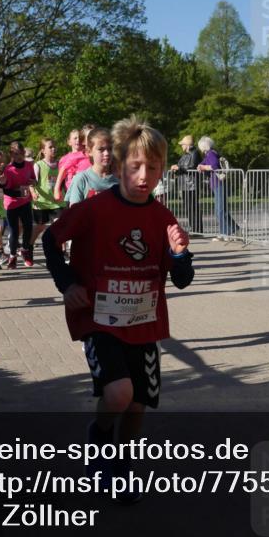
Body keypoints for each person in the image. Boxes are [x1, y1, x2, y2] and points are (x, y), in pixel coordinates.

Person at [42, 116, 194, 504]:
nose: (144, 175)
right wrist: (67, 284)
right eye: (135, 166)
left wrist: (180, 254)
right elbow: (50, 238)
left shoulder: (162, 216)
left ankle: (122, 467)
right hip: (99, 319)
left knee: (138, 404)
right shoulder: (96, 209)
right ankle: (99, 437)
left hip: (144, 325)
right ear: (120, 164)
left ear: (162, 169)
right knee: (119, 394)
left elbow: (181, 279)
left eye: (153, 168)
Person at [0, 141, 35, 268]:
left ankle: (25, 250)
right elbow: (6, 190)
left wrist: (33, 182)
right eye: (15, 154)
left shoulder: (29, 165)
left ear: (24, 153)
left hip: (25, 202)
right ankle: (13, 256)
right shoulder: (8, 170)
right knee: (14, 231)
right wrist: (19, 191)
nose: (18, 156)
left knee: (28, 227)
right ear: (11, 154)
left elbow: (34, 180)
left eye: (20, 153)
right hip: (12, 203)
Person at [197, 136, 239, 240]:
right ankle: (233, 230)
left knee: (220, 210)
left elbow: (215, 165)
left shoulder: (211, 153)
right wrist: (200, 165)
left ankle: (227, 233)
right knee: (219, 210)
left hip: (219, 184)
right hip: (217, 184)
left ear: (203, 146)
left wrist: (203, 167)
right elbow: (204, 163)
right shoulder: (209, 154)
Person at [65, 127, 118, 205]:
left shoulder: (120, 181)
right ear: (89, 151)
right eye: (101, 149)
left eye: (110, 149)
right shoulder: (82, 179)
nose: (106, 153)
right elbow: (74, 213)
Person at [31, 137, 65, 256]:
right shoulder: (38, 165)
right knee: (40, 227)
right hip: (42, 202)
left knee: (59, 225)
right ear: (43, 150)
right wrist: (33, 192)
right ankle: (28, 247)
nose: (53, 149)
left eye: (54, 146)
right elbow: (32, 182)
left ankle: (61, 251)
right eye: (50, 147)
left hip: (57, 202)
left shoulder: (61, 164)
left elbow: (64, 182)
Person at [170, 135, 204, 234]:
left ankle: (197, 230)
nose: (181, 146)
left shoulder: (195, 153)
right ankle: (193, 228)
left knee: (194, 207)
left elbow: (193, 167)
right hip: (184, 185)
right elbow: (181, 167)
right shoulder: (185, 155)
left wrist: (179, 168)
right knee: (189, 208)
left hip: (192, 185)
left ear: (187, 145)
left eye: (183, 144)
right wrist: (175, 169)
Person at [54, 124, 94, 202]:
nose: (91, 139)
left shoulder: (98, 154)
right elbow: (63, 170)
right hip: (77, 193)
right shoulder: (76, 156)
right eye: (89, 137)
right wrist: (56, 189)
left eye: (93, 136)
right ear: (84, 141)